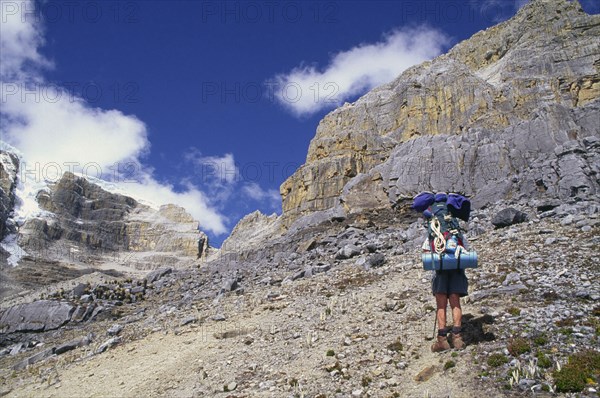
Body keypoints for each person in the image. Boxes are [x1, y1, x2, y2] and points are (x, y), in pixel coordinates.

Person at [423, 237, 468, 352]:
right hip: (456, 270)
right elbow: (465, 252)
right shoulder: (457, 235)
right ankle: (457, 338)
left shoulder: (433, 235)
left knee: (441, 305)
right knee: (455, 301)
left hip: (439, 271)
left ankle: (442, 340)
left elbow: (426, 254)